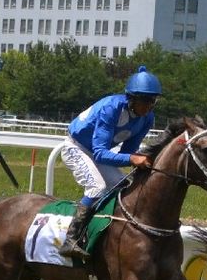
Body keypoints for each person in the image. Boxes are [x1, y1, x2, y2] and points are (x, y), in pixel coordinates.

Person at [58, 65, 162, 261]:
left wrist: (143, 158)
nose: (149, 106)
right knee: (97, 187)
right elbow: (100, 154)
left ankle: (108, 231)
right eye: (145, 101)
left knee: (125, 185)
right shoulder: (111, 108)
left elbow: (127, 152)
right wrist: (133, 159)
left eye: (153, 101)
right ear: (132, 99)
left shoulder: (147, 118)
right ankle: (70, 240)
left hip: (97, 152)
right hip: (76, 147)